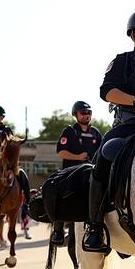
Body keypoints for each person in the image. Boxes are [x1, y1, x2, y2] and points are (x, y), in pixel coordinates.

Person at [83, 9, 135, 252]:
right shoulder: (123, 61)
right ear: (134, 35)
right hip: (129, 125)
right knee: (106, 155)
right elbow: (107, 91)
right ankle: (95, 226)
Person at [50, 101, 103, 249]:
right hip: (72, 172)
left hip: (91, 173)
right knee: (59, 192)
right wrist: (78, 157)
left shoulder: (96, 133)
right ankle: (58, 231)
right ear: (76, 115)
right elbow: (61, 152)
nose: (87, 115)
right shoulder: (69, 131)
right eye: (83, 113)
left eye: (89, 113)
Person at [0, 106, 30, 201]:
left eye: (0, 116)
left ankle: (28, 202)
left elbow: (13, 144)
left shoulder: (7, 129)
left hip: (4, 160)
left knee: (22, 175)